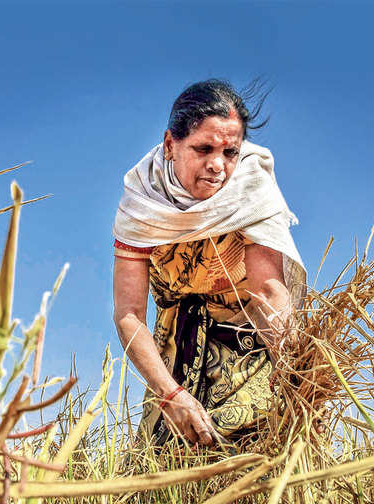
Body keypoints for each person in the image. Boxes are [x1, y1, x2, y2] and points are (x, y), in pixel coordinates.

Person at [112, 79, 306, 447]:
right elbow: (129, 313)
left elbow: (267, 291)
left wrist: (297, 375)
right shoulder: (142, 203)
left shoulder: (251, 191)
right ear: (170, 144)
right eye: (203, 149)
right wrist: (169, 394)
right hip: (173, 355)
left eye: (230, 152)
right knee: (163, 474)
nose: (218, 165)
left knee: (253, 461)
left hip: (248, 347)